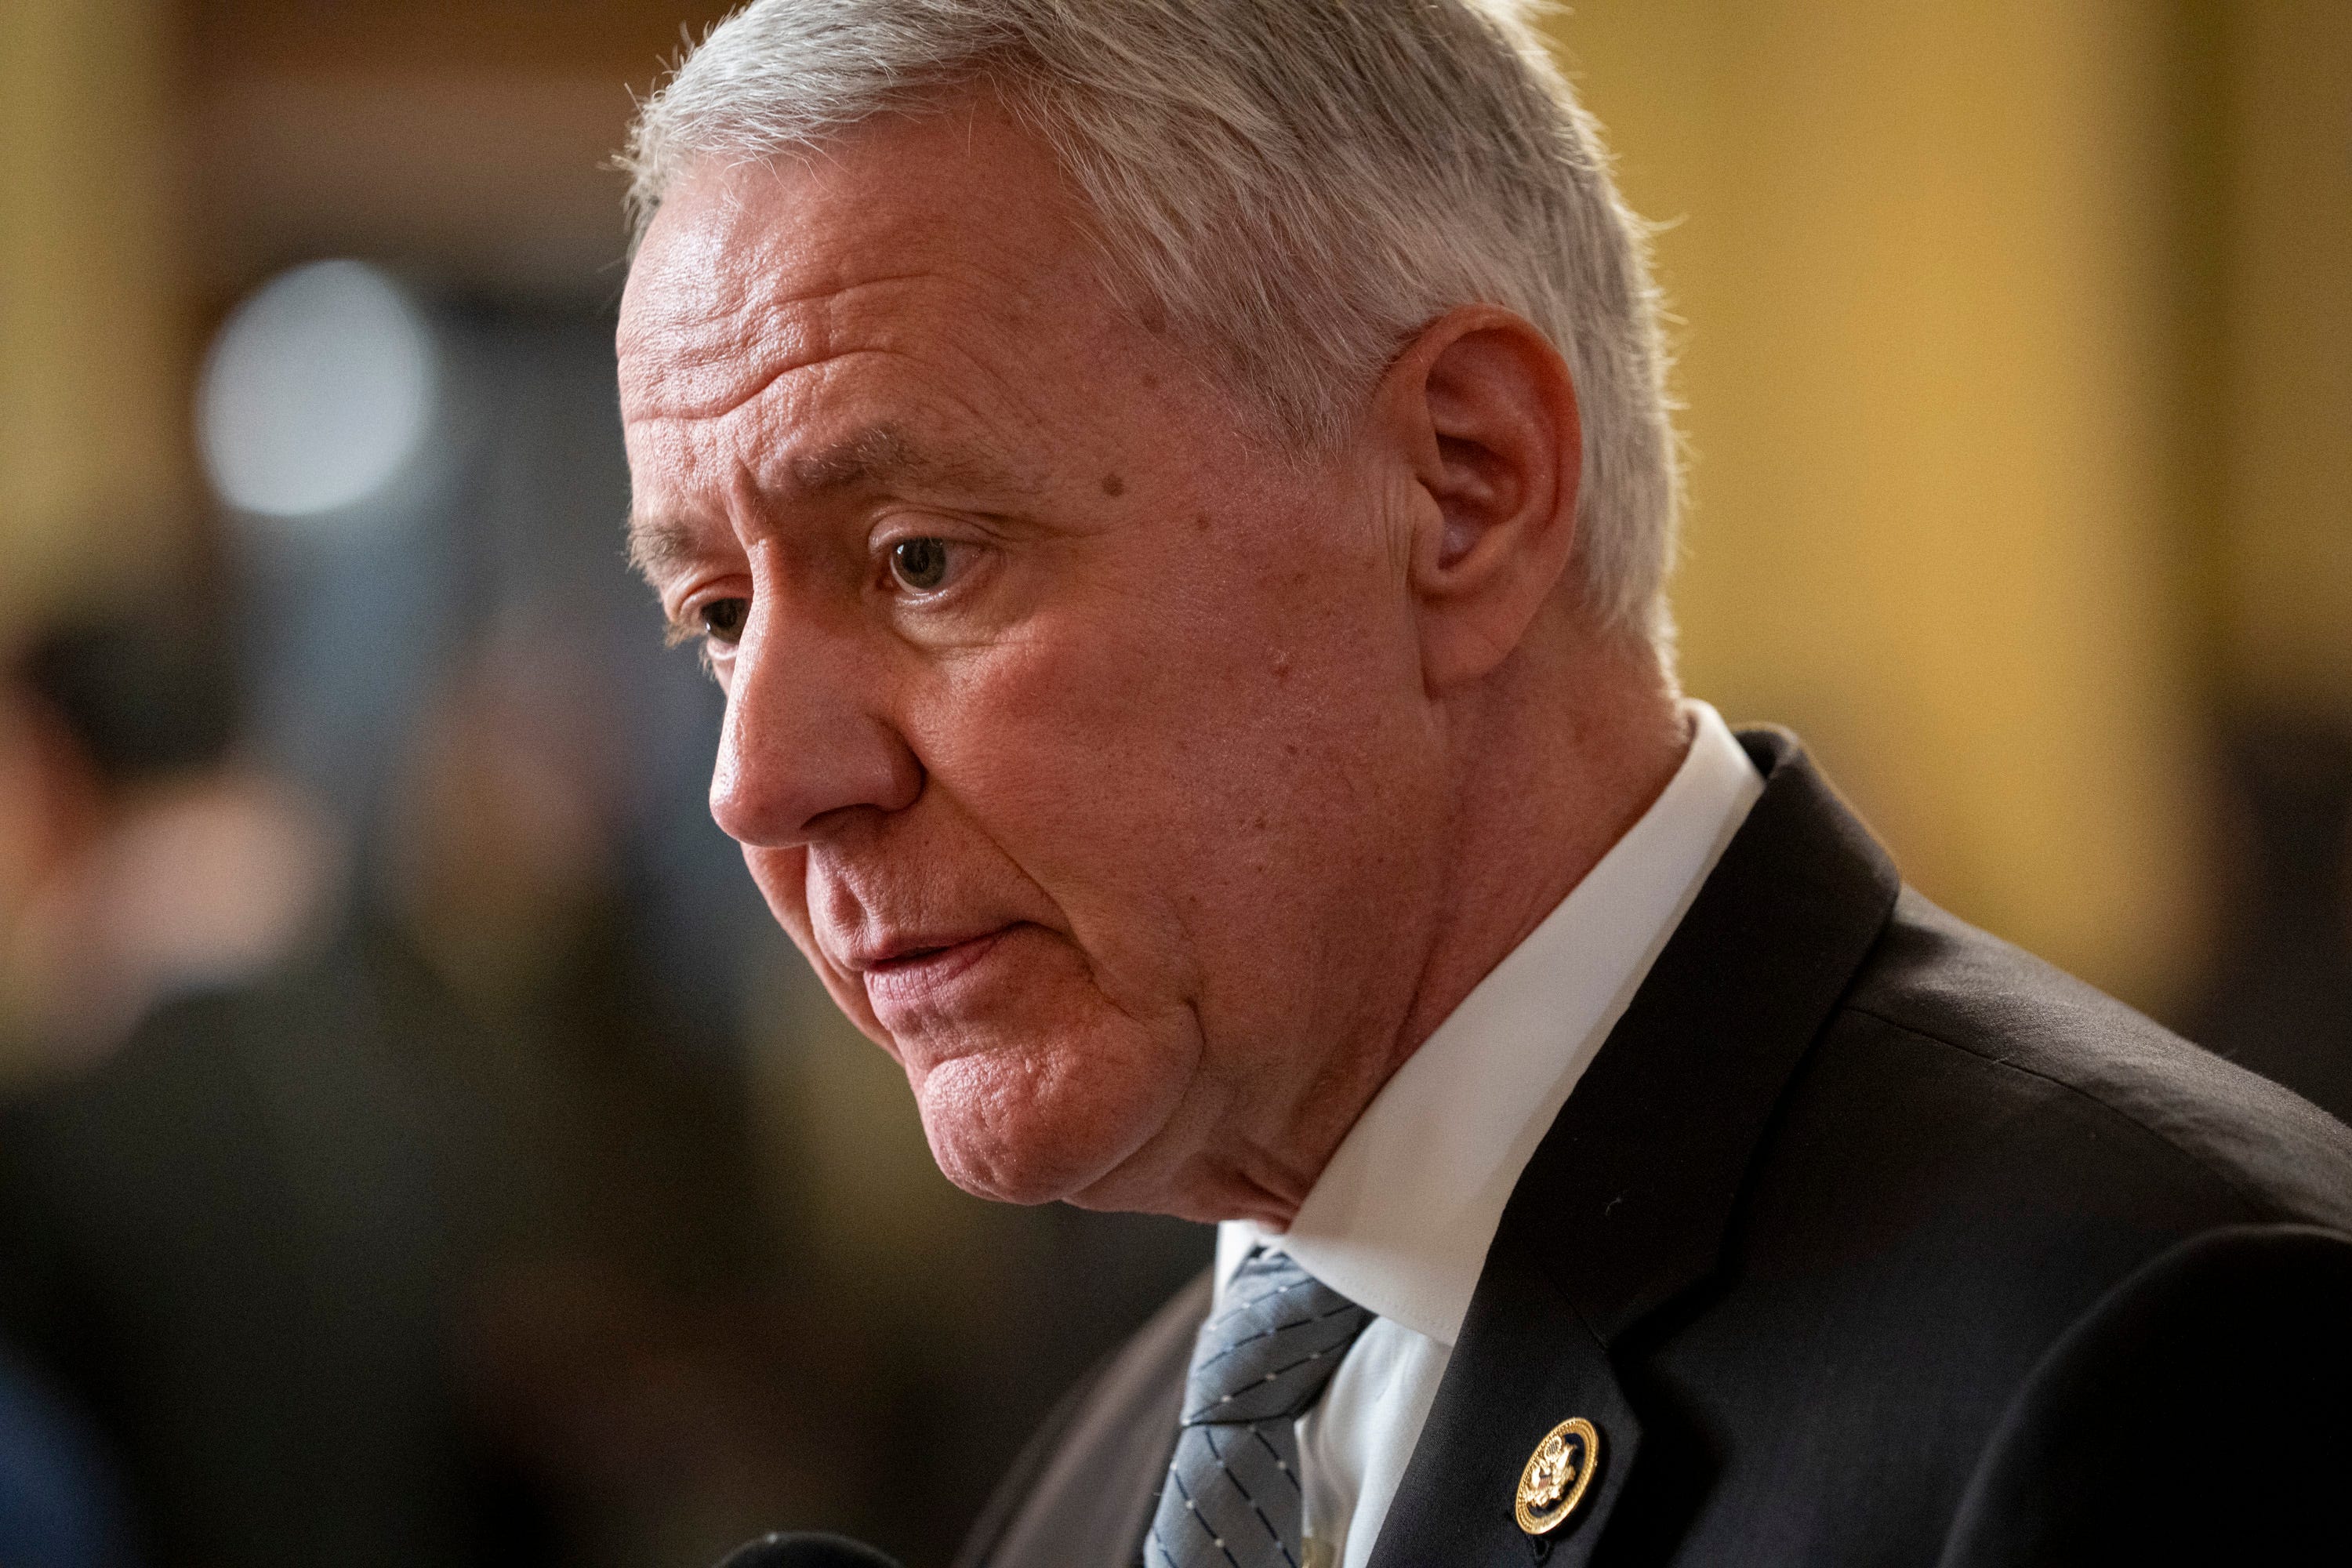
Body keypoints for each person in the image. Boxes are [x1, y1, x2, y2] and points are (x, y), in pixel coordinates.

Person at [612, 3, 2352, 1565]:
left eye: (921, 559)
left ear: (1463, 487)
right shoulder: (1101, 1471)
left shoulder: (2172, 1360)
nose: (761, 781)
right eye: (718, 613)